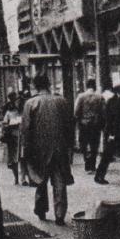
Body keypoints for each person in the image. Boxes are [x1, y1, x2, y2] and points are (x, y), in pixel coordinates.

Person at [20, 72, 75, 225]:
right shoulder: (62, 101)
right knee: (60, 182)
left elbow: (25, 130)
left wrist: (25, 152)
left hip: (38, 150)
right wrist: (70, 148)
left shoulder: (30, 104)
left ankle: (41, 209)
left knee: (40, 180)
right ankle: (60, 214)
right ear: (49, 85)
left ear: (35, 86)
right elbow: (70, 126)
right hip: (59, 149)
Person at [74, 78, 106, 173]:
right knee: (94, 144)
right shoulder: (100, 97)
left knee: (84, 143)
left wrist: (78, 119)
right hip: (96, 125)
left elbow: (76, 111)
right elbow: (103, 111)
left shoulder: (81, 96)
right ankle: (92, 164)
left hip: (84, 124)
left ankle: (87, 163)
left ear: (86, 86)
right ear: (94, 86)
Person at [0, 90, 23, 185]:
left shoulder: (21, 108)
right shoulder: (7, 109)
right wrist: (9, 124)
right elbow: (3, 122)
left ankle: (23, 178)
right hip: (12, 137)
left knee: (22, 158)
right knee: (13, 158)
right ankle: (16, 177)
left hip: (21, 135)